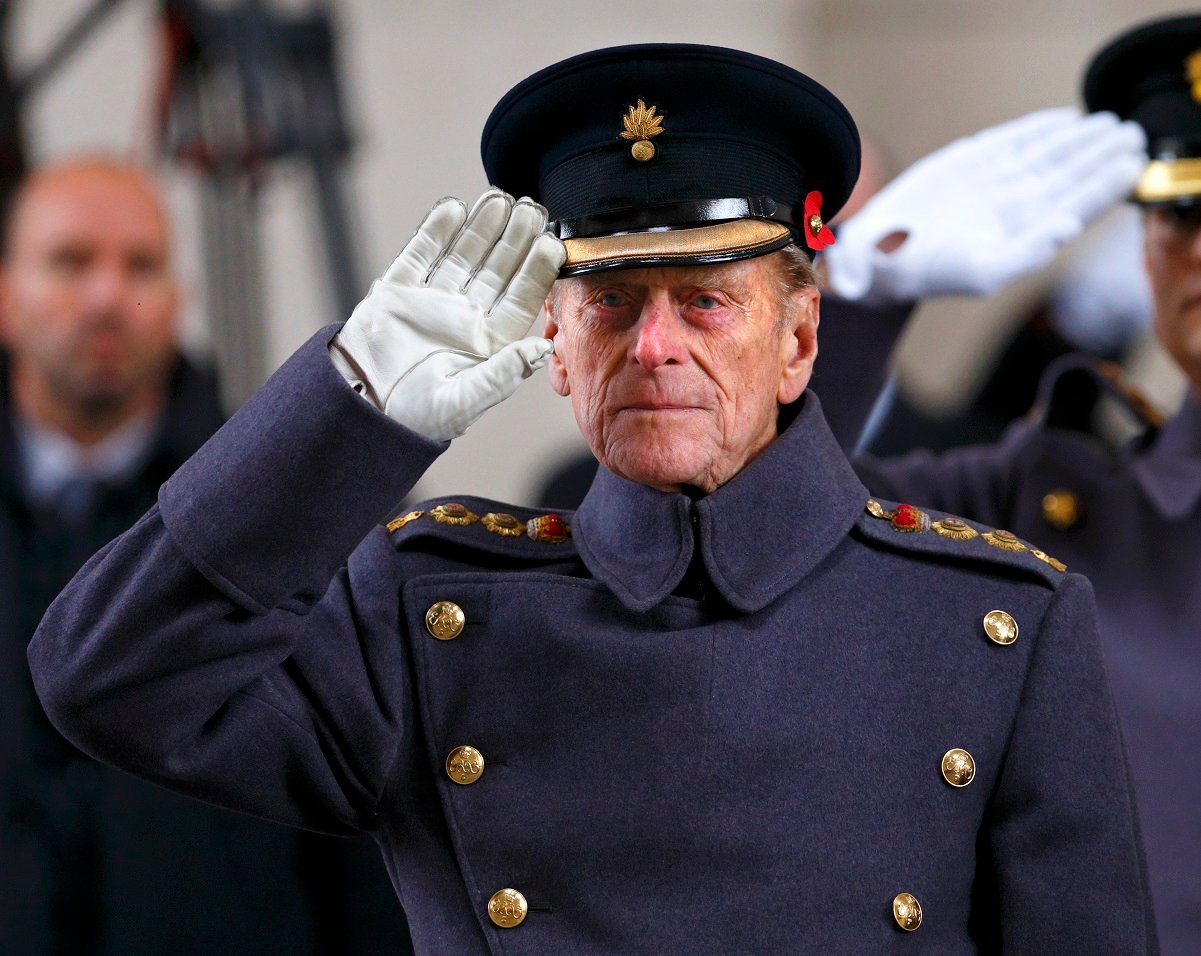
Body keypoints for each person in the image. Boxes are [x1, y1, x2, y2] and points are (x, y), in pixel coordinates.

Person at [27, 47, 1155, 953]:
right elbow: (108, 676)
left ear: (802, 334)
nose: (653, 345)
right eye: (609, 303)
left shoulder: (997, 623)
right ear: (554, 345)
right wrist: (348, 407)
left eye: (707, 301)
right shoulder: (430, 612)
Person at [819, 14, 1201, 953]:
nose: (1196, 246)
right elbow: (755, 532)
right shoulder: (1034, 504)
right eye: (1178, 209)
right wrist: (865, 300)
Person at [0, 157, 409, 954]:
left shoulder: (290, 517)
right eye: (70, 261)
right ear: (6, 293)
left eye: (140, 264)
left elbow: (368, 820)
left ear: (177, 295)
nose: (108, 295)